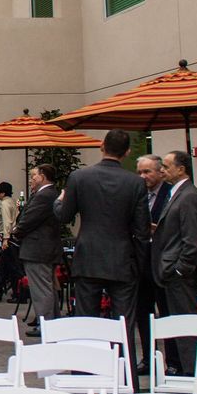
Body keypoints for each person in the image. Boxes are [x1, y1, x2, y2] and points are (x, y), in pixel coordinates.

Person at [54, 129, 150, 346]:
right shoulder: (135, 183)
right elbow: (142, 231)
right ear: (127, 152)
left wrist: (58, 201)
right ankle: (125, 366)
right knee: (124, 326)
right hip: (122, 259)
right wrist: (139, 263)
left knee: (86, 323)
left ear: (102, 147)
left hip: (89, 257)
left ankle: (88, 365)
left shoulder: (79, 177)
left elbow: (64, 216)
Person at [153, 150, 197, 375]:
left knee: (187, 326)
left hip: (180, 274)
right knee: (180, 324)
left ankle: (195, 373)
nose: (162, 170)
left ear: (181, 169)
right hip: (171, 270)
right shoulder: (176, 194)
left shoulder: (189, 196)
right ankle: (188, 371)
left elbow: (192, 239)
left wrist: (179, 269)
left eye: (166, 166)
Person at [13, 165, 63, 335]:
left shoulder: (44, 195)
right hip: (44, 248)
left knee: (41, 289)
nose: (31, 179)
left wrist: (17, 231)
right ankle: (51, 322)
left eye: (34, 176)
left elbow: (29, 219)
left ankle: (46, 325)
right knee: (47, 288)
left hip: (38, 249)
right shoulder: (48, 194)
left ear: (43, 176)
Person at [134, 154, 171, 375]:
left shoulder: (170, 194)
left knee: (167, 313)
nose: (143, 176)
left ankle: (172, 360)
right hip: (141, 263)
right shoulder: (138, 195)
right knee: (143, 313)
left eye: (147, 172)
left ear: (160, 172)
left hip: (163, 263)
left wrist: (159, 230)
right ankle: (148, 358)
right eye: (139, 172)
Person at [0, 181, 21, 301]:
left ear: (2, 193)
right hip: (13, 237)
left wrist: (6, 239)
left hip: (8, 238)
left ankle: (16, 293)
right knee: (4, 266)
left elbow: (7, 222)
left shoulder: (5, 203)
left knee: (11, 266)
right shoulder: (12, 202)